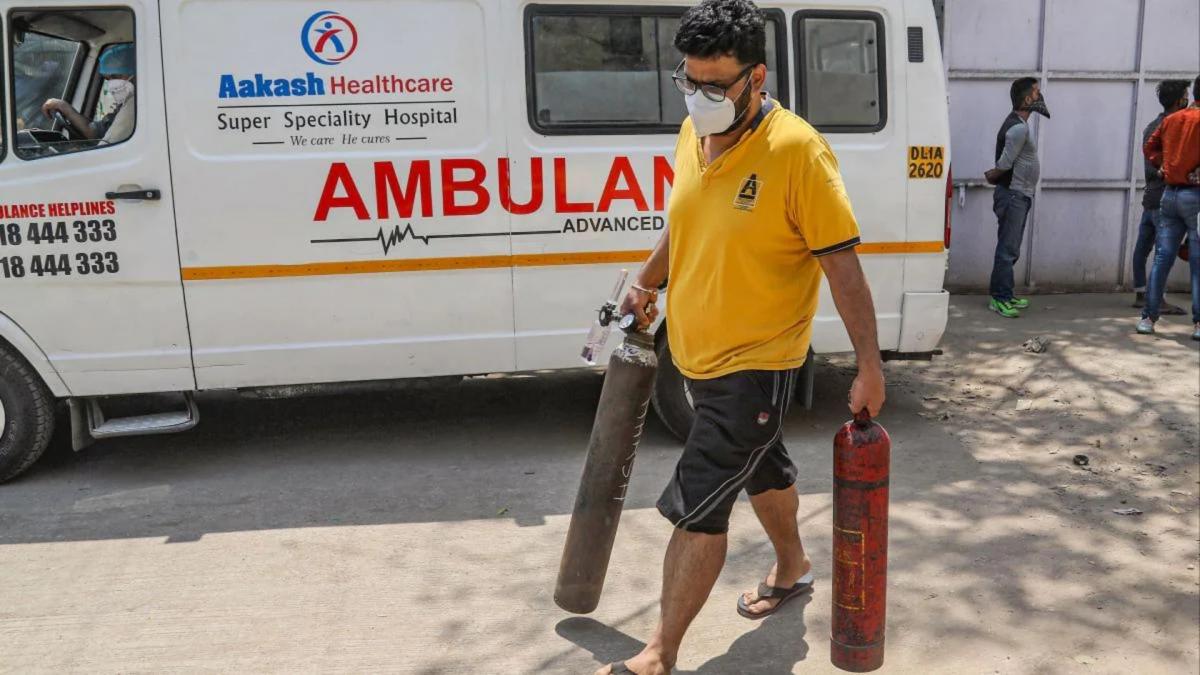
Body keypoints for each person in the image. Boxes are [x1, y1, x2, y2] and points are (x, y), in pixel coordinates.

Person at [600, 2, 886, 673]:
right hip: (695, 357)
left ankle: (659, 651)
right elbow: (685, 223)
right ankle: (794, 564)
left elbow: (842, 267)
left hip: (757, 363)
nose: (698, 97)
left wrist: (869, 366)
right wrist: (644, 283)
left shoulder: (797, 152)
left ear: (756, 77)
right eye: (688, 80)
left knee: (698, 502)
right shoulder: (692, 133)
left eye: (714, 85)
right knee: (762, 462)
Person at [1138, 75, 1200, 341]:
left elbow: (1149, 147)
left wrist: (1162, 164)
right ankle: (1198, 324)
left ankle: (1147, 319)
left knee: (1162, 258)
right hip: (1195, 197)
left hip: (1170, 195)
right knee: (1197, 262)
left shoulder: (1172, 120)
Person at [983, 77, 1049, 319]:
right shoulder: (1018, 128)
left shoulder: (1019, 124)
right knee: (1007, 250)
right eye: (1036, 92)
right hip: (1013, 195)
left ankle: (1006, 293)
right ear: (1027, 98)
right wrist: (993, 175)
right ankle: (999, 299)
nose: (1040, 95)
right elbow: (1005, 163)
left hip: (1018, 194)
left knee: (1011, 248)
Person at [1131, 80, 1190, 314]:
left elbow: (1149, 166)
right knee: (1163, 252)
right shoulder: (1174, 127)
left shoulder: (1151, 126)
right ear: (1179, 100)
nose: (1188, 99)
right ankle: (1158, 300)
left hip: (1150, 197)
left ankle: (1141, 293)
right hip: (1165, 197)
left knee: (1142, 248)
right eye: (1185, 95)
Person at [41, 43, 135, 144]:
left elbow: (105, 143)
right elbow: (95, 132)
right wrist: (62, 106)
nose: (112, 84)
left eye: (116, 76)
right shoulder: (123, 107)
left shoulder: (134, 107)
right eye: (108, 79)